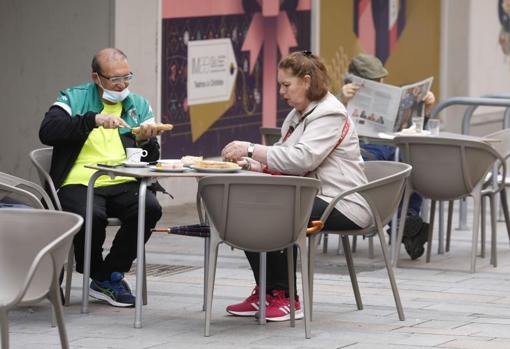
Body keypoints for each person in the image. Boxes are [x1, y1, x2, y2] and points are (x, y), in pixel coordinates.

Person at [221, 51, 373, 322]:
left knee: (276, 212)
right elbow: (283, 157)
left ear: (306, 81)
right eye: (280, 85)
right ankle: (267, 292)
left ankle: (286, 297)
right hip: (311, 195)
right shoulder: (298, 114)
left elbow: (302, 158)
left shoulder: (330, 113)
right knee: (247, 209)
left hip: (343, 201)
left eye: (286, 85)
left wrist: (252, 148)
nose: (281, 91)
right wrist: (249, 164)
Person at [39, 48, 163, 307]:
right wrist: (92, 119)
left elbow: (151, 158)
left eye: (127, 77)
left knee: (149, 208)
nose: (122, 84)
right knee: (90, 214)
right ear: (96, 77)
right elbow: (48, 131)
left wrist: (146, 140)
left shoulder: (137, 105)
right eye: (115, 79)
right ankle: (97, 271)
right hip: (80, 179)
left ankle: (107, 275)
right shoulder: (73, 98)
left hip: (124, 179)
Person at [340, 53, 436, 260]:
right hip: (362, 155)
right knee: (393, 165)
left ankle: (406, 222)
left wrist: (426, 110)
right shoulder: (337, 100)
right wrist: (343, 101)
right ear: (353, 80)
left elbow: (414, 131)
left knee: (409, 163)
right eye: (372, 81)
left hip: (392, 150)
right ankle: (406, 223)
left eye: (379, 80)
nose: (378, 84)